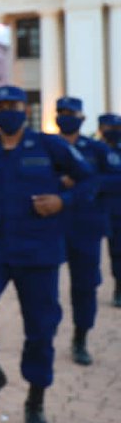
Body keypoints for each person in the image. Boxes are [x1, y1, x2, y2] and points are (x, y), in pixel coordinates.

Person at [0, 85, 94, 423]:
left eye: (14, 105)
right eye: (1, 106)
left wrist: (62, 201)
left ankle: (35, 402)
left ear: (25, 109)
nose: (8, 111)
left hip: (38, 250)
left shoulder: (50, 146)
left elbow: (88, 180)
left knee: (40, 330)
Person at [53, 97, 109, 364]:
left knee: (85, 286)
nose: (66, 117)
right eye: (61, 112)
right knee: (42, 287)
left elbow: (114, 178)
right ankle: (43, 336)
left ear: (82, 117)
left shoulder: (96, 149)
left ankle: (80, 338)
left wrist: (85, 181)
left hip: (86, 226)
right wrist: (57, 180)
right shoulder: (46, 147)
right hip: (51, 227)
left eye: (71, 113)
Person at [98, 113, 121, 307]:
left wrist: (99, 182)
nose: (113, 131)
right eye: (109, 127)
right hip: (100, 210)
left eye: (116, 128)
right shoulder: (95, 149)